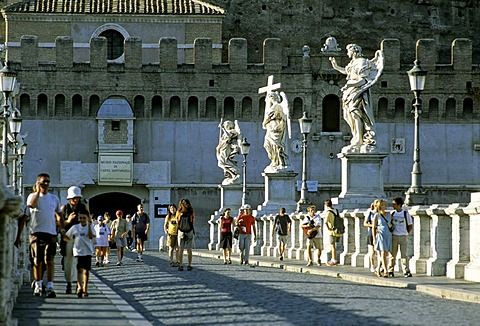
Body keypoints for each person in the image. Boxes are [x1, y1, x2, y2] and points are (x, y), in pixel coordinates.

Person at [329, 44, 384, 151]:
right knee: (349, 116)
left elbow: (364, 80)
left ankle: (359, 139)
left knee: (356, 113)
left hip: (358, 92)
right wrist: (335, 66)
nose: (347, 53)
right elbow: (347, 72)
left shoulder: (363, 62)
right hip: (349, 92)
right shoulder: (353, 63)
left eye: (348, 51)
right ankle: (356, 137)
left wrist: (349, 85)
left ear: (354, 51)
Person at [25, 173, 63, 298]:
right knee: (37, 260)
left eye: (47, 181)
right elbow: (31, 205)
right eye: (43, 182)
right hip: (36, 232)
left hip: (50, 232)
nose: (46, 184)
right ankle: (38, 284)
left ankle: (50, 285)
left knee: (50, 260)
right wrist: (37, 190)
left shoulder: (54, 198)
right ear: (38, 183)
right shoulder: (32, 196)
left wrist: (61, 227)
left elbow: (58, 214)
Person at [60, 186, 89, 294]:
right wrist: (68, 220)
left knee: (79, 262)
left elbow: (88, 222)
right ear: (69, 199)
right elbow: (59, 224)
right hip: (68, 238)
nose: (76, 200)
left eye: (77, 198)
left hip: (80, 238)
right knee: (68, 262)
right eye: (74, 198)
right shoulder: (64, 208)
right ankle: (68, 283)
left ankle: (79, 285)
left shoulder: (83, 208)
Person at [63, 207, 94, 298]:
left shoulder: (90, 226)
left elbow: (91, 236)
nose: (82, 220)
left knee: (86, 271)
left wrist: (89, 225)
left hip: (87, 251)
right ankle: (80, 287)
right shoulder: (75, 227)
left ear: (87, 218)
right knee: (79, 270)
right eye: (80, 218)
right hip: (78, 251)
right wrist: (65, 237)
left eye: (84, 218)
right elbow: (67, 236)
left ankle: (85, 288)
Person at [262, 91, 290, 171]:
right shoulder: (272, 107)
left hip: (276, 128)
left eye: (269, 98)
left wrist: (274, 119)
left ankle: (280, 162)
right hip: (270, 128)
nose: (268, 100)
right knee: (266, 144)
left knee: (277, 146)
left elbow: (283, 117)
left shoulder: (278, 106)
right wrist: (266, 122)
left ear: (272, 98)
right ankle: (274, 161)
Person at [388, 197, 413, 278]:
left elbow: (410, 225)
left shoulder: (406, 214)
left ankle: (406, 270)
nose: (393, 206)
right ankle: (390, 270)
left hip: (403, 236)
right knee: (393, 254)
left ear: (399, 205)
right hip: (394, 236)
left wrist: (405, 233)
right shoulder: (392, 214)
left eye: (394, 204)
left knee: (404, 255)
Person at [216, 120, 241, 185]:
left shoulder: (232, 131)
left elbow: (229, 136)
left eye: (226, 124)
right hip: (222, 148)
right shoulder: (225, 133)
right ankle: (231, 174)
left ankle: (234, 174)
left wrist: (223, 129)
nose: (225, 125)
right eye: (224, 125)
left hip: (227, 148)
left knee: (222, 163)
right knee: (221, 163)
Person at [372, 199, 392, 277]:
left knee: (385, 253)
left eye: (385, 204)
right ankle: (386, 270)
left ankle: (378, 269)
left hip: (388, 234)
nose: (385, 206)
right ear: (380, 206)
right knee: (383, 252)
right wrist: (374, 238)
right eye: (383, 204)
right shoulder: (377, 215)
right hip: (381, 234)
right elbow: (374, 227)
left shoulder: (389, 214)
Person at [176, 199, 195, 271]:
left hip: (181, 231)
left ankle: (180, 265)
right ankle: (189, 265)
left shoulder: (179, 211)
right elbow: (193, 221)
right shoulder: (191, 211)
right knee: (189, 249)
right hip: (189, 231)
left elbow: (177, 221)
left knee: (181, 249)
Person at [324, 199, 341, 266]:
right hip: (338, 229)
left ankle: (334, 259)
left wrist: (329, 228)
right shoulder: (336, 210)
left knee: (332, 245)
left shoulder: (328, 212)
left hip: (332, 231)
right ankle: (333, 259)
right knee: (335, 245)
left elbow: (326, 222)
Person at [363, 200, 378, 273]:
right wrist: (373, 225)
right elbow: (365, 223)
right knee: (372, 251)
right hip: (371, 233)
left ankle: (379, 266)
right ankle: (372, 265)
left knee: (379, 251)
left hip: (380, 233)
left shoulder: (382, 213)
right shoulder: (370, 212)